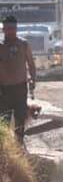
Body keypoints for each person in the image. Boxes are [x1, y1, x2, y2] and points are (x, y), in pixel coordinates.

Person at [0, 14, 36, 145]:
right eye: (7, 28)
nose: (10, 31)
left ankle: (19, 146)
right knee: (3, 121)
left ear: (16, 29)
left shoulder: (24, 44)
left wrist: (33, 79)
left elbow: (31, 64)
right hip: (3, 91)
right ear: (3, 29)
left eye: (13, 28)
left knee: (20, 120)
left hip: (20, 89)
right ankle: (5, 150)